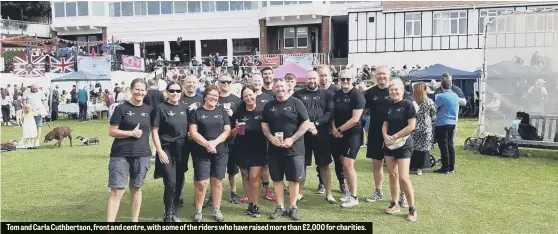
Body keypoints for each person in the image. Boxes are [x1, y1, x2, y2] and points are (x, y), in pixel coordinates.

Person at [363, 65, 413, 206]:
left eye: (384, 74)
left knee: (397, 169)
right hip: (375, 133)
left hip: (395, 136)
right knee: (377, 163)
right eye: (378, 74)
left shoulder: (396, 89)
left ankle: (402, 195)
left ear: (389, 75)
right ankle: (378, 191)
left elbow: (411, 107)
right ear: (375, 76)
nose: (381, 76)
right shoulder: (370, 92)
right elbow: (362, 108)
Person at [262, 78, 310, 220]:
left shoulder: (297, 103)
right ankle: (280, 207)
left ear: (287, 87)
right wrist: (271, 138)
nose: (279, 89)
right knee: (277, 179)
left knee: (294, 179)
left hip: (294, 149)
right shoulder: (269, 105)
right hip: (275, 149)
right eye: (276, 87)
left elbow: (306, 123)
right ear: (273, 89)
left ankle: (293, 207)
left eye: (281, 86)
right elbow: (264, 125)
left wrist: (292, 139)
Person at [107, 78, 152, 222]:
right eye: (137, 89)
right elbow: (112, 131)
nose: (139, 92)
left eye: (142, 90)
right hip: (120, 154)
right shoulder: (121, 108)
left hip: (142, 155)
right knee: (117, 190)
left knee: (136, 188)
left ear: (146, 92)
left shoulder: (150, 110)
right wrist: (131, 133)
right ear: (132, 90)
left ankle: (135, 221)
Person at [188, 85, 231, 222]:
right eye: (211, 95)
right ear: (205, 96)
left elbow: (227, 131)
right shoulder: (196, 112)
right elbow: (193, 132)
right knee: (202, 183)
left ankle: (216, 210)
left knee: (217, 181)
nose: (214, 98)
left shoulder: (222, 111)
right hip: (201, 152)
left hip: (221, 151)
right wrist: (207, 144)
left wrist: (214, 143)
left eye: (216, 96)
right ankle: (198, 211)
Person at [293, 70, 336, 203]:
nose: (311, 81)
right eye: (309, 79)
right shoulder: (298, 94)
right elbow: (296, 113)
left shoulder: (327, 94)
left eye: (314, 79)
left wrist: (316, 124)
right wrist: (307, 126)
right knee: (302, 165)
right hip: (303, 136)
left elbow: (330, 112)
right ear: (305, 80)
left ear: (318, 80)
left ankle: (328, 193)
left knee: (324, 164)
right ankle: (299, 192)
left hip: (321, 135)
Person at [151, 81, 190, 222]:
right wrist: (159, 150)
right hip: (166, 148)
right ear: (167, 91)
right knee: (170, 182)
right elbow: (154, 131)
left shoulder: (185, 107)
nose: (175, 93)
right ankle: (168, 213)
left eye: (178, 91)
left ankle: (174, 208)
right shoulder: (160, 108)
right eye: (172, 91)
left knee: (179, 180)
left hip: (183, 148)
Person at [382, 79, 417, 222]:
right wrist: (385, 136)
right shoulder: (389, 105)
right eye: (391, 90)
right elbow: (385, 123)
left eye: (396, 89)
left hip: (403, 145)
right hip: (389, 145)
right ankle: (395, 203)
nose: (394, 92)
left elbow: (411, 126)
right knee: (392, 175)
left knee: (403, 177)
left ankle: (412, 209)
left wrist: (395, 136)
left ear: (402, 90)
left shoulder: (408, 105)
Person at [231, 85, 268, 217]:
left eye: (250, 94)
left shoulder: (263, 110)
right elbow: (230, 130)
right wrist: (235, 129)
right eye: (245, 96)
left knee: (254, 176)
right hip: (241, 148)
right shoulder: (239, 111)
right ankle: (251, 203)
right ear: (242, 98)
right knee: (245, 176)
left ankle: (257, 205)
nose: (248, 98)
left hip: (259, 148)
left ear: (255, 94)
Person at [331, 70, 366, 208]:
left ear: (353, 79)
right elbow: (333, 113)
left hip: (353, 135)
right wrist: (334, 129)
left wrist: (339, 130)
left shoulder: (358, 95)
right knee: (343, 164)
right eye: (342, 79)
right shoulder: (338, 94)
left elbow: (355, 119)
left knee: (348, 165)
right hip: (338, 134)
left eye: (348, 79)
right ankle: (349, 193)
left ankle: (354, 197)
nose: (345, 81)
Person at [316, 65, 346, 195]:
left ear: (330, 76)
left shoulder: (337, 90)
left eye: (325, 75)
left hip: (336, 131)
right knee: (321, 160)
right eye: (320, 75)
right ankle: (322, 183)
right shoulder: (314, 91)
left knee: (339, 159)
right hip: (320, 132)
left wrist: (339, 128)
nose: (323, 78)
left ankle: (342, 183)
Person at [248, 73, 276, 202]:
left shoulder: (269, 97)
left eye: (259, 81)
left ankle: (267, 191)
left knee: (265, 165)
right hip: (250, 137)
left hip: (265, 136)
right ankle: (249, 191)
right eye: (255, 81)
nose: (257, 83)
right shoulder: (247, 96)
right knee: (251, 166)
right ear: (251, 82)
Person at [216, 74, 243, 205]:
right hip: (215, 138)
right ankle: (213, 194)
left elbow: (241, 119)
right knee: (215, 169)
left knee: (233, 169)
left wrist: (234, 117)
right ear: (218, 83)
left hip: (232, 139)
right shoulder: (214, 97)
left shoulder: (237, 100)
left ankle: (233, 192)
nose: (225, 84)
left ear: (231, 83)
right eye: (222, 81)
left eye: (228, 81)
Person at [410, 82, 437, 176]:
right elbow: (434, 115)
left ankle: (411, 166)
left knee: (414, 147)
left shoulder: (412, 102)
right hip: (425, 127)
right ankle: (419, 169)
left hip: (413, 127)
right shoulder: (429, 101)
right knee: (424, 148)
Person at [434, 78, 459, 174]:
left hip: (442, 123)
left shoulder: (441, 96)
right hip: (452, 122)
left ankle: (445, 167)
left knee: (443, 146)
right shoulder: (455, 96)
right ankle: (451, 167)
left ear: (441, 86)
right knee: (450, 144)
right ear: (451, 85)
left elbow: (434, 108)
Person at [22, 83, 48, 148]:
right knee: (30, 127)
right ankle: (29, 142)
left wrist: (45, 110)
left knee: (39, 125)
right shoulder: (26, 92)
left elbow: (44, 102)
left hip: (39, 111)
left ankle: (37, 140)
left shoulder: (41, 92)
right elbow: (24, 102)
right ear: (31, 88)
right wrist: (27, 109)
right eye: (34, 89)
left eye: (37, 89)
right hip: (29, 112)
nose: (36, 90)